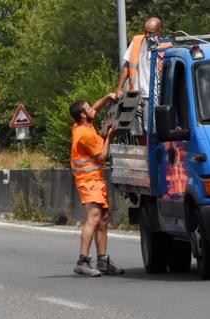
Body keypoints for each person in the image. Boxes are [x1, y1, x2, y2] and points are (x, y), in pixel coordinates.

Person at [70, 94, 123, 277]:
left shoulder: (83, 124)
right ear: (83, 115)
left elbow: (95, 108)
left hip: (95, 180)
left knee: (103, 220)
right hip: (88, 181)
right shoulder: (84, 134)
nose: (93, 109)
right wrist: (109, 136)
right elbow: (101, 156)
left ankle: (103, 261)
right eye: (88, 108)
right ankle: (82, 261)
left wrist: (108, 97)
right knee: (93, 218)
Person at [115, 17, 170, 136]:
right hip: (136, 94)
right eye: (145, 31)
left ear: (160, 32)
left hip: (155, 96)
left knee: (154, 131)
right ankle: (145, 155)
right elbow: (127, 65)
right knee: (138, 132)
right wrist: (119, 88)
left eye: (151, 32)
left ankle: (153, 153)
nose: (146, 35)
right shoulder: (137, 42)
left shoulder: (166, 47)